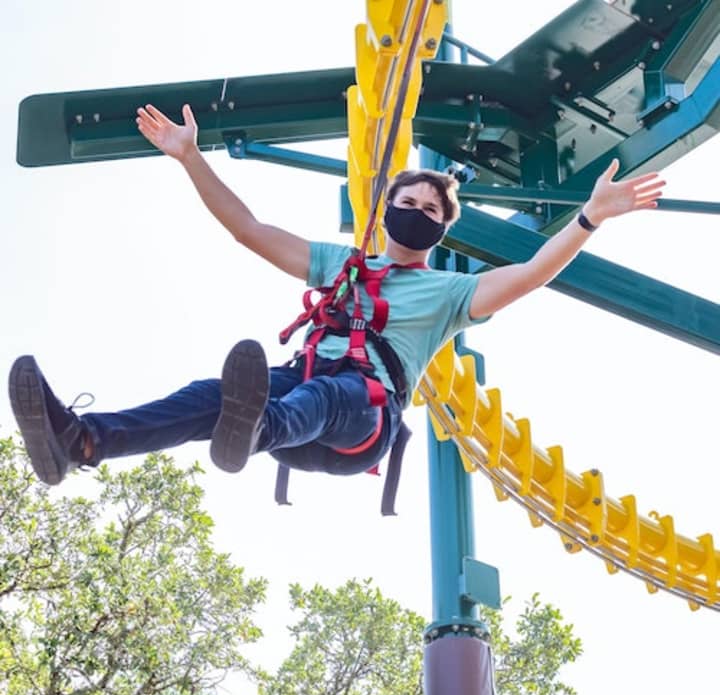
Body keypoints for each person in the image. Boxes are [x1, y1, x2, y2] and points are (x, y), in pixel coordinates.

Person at [8, 104, 665, 487]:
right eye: (407, 201)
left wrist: (590, 217)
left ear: (440, 228)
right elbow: (249, 229)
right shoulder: (341, 265)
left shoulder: (447, 292)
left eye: (430, 207)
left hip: (357, 421)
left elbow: (529, 274)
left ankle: (254, 427)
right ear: (385, 216)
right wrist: (189, 157)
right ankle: (83, 442)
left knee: (330, 391)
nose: (417, 209)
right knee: (206, 395)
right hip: (294, 400)